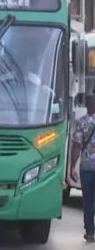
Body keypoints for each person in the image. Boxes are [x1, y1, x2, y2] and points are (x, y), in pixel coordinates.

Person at [72, 94, 95, 243]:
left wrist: (72, 166)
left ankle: (90, 232)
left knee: (88, 200)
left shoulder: (81, 122)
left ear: (87, 105)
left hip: (86, 167)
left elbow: (76, 145)